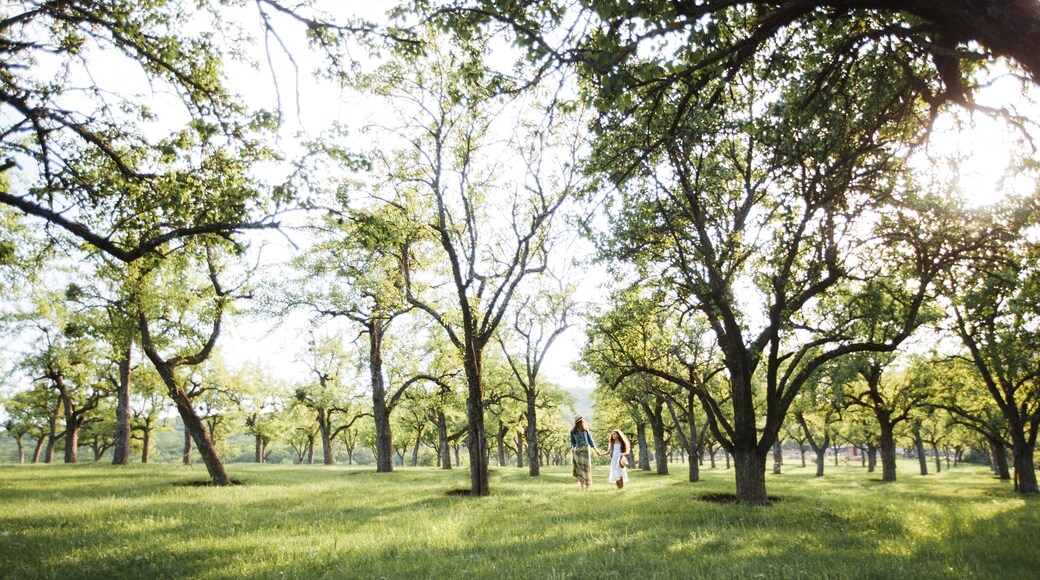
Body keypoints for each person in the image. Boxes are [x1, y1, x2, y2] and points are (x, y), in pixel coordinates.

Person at [570, 416, 603, 490]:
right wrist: (572, 447)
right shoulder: (573, 431)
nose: (581, 422)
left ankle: (587, 486)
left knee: (586, 468)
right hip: (577, 451)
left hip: (585, 451)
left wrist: (596, 450)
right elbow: (572, 442)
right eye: (579, 421)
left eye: (581, 421)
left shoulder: (586, 430)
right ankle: (582, 486)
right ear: (577, 422)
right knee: (579, 469)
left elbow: (590, 441)